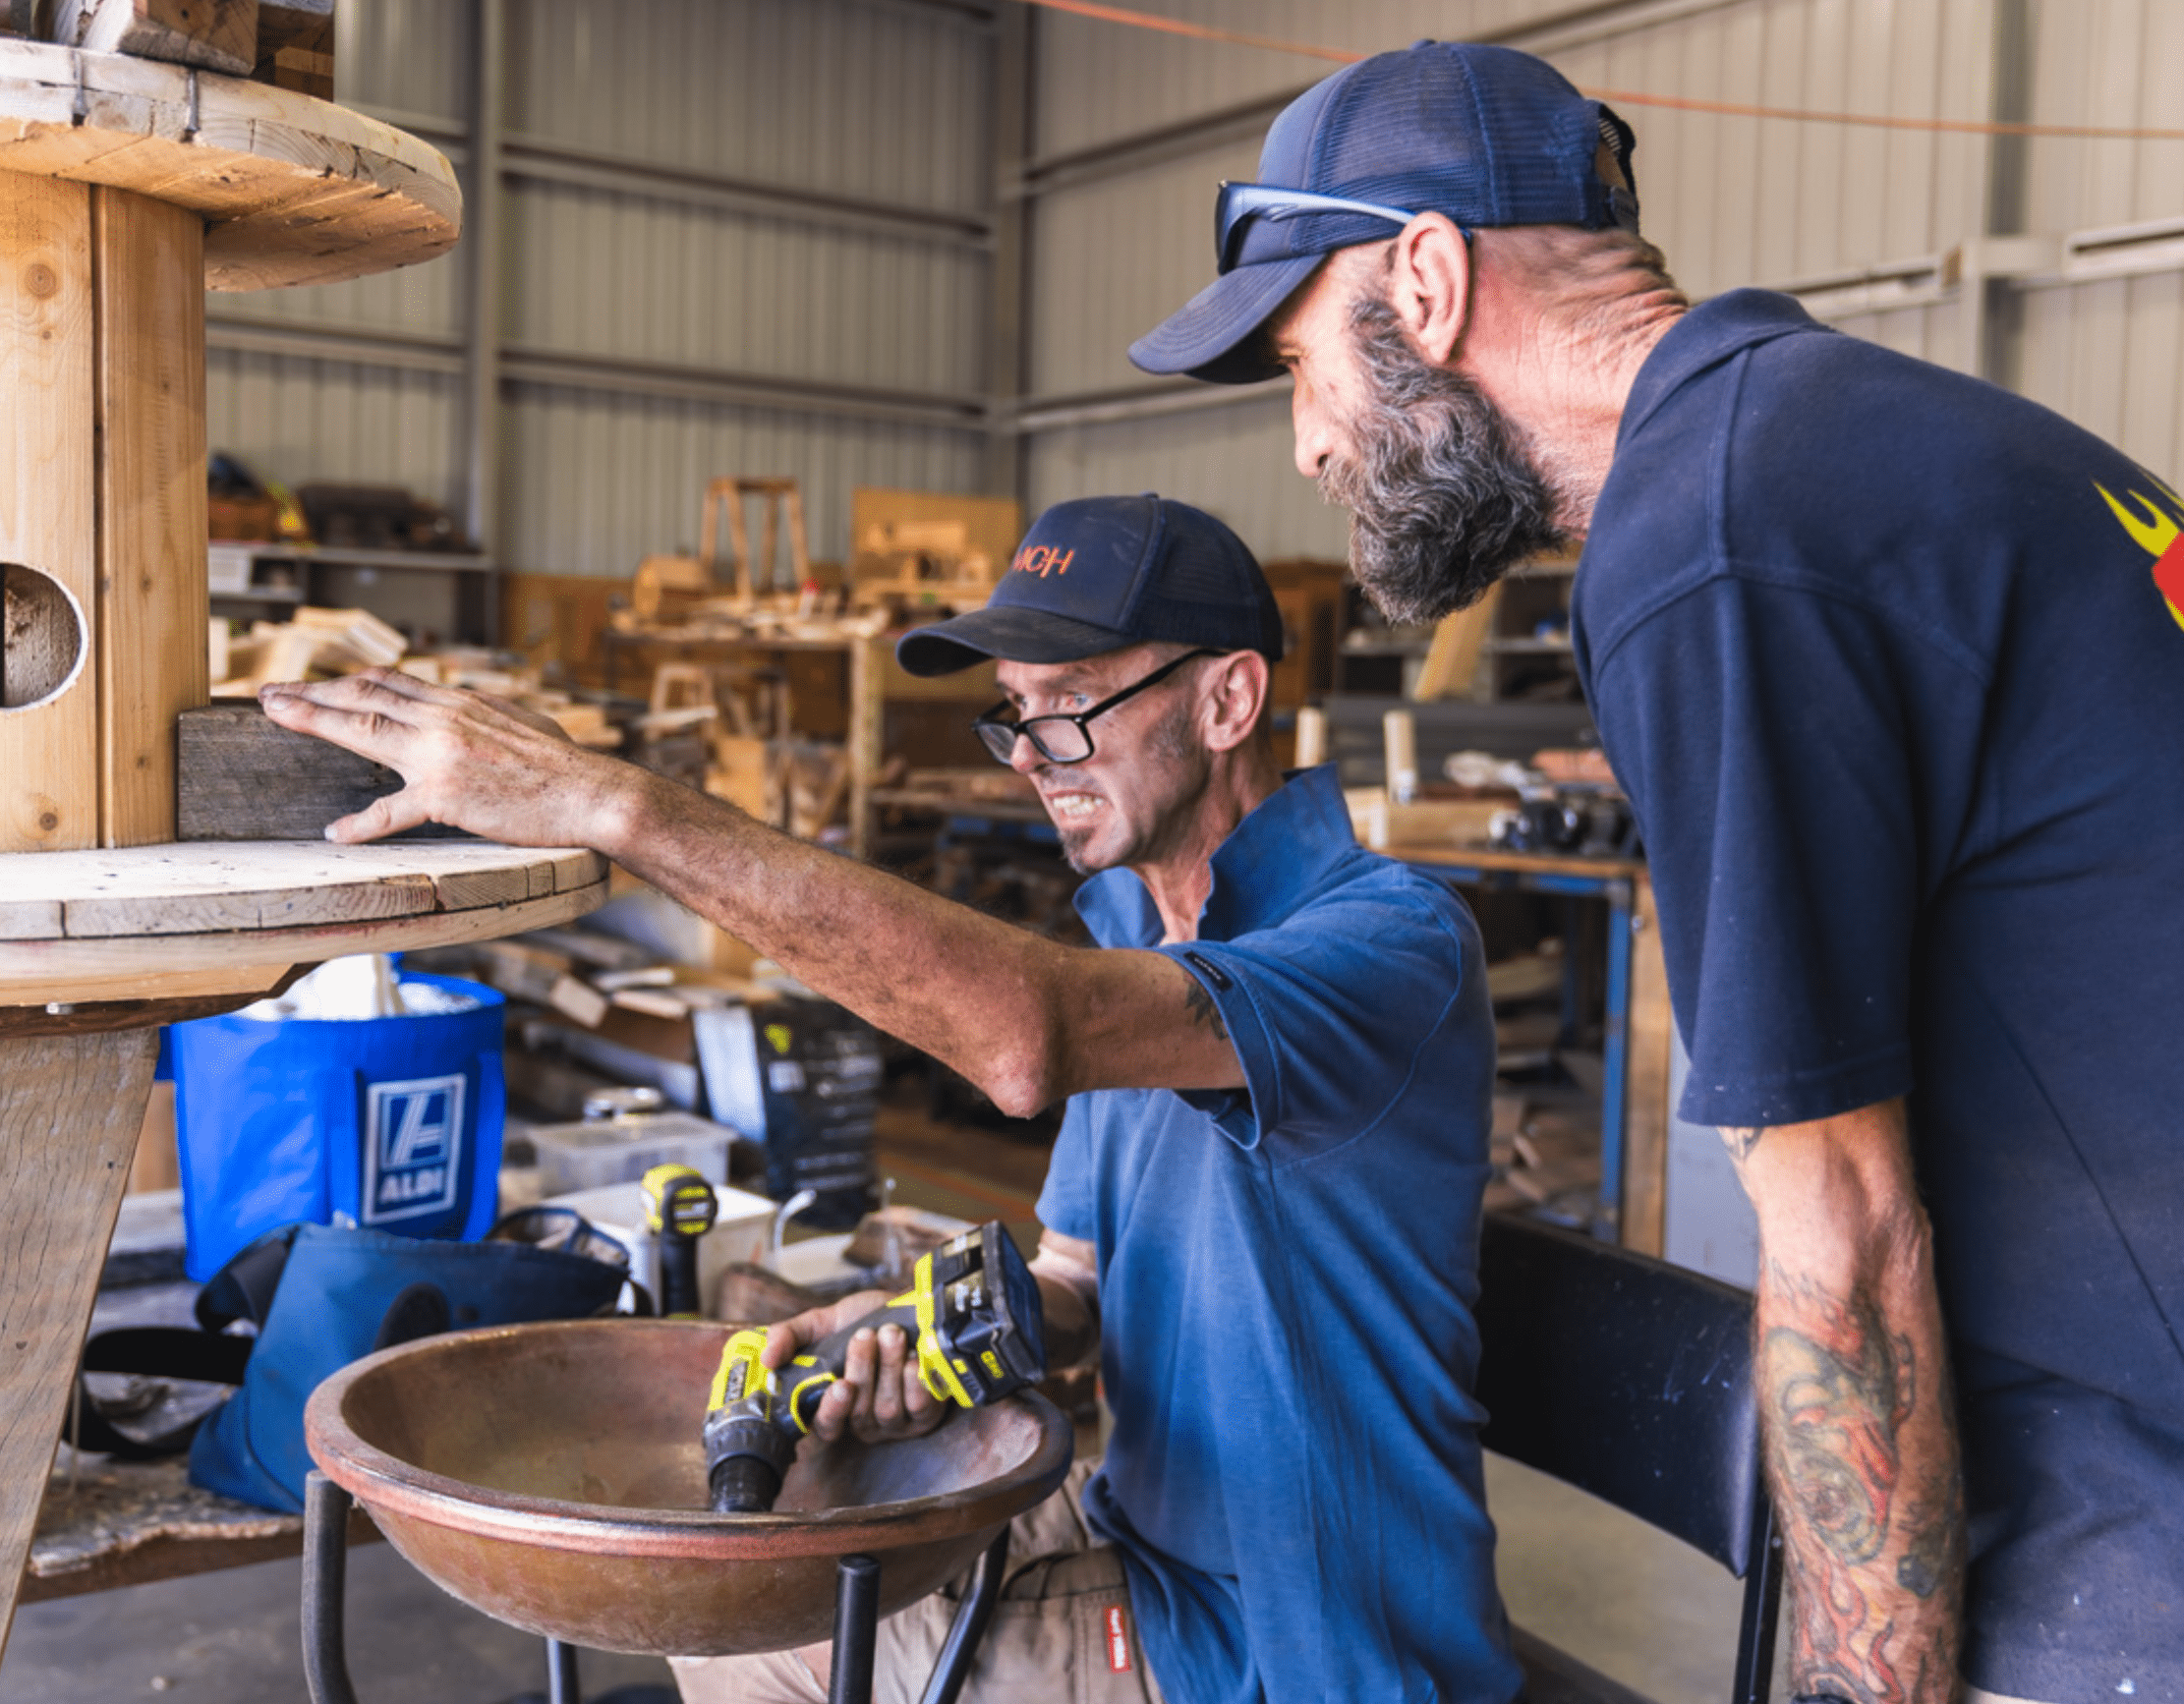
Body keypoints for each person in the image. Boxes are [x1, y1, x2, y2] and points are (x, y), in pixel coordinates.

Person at [1126, 35, 2184, 1704]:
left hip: (2137, 1538)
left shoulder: (1706, 536)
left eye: (1296, 356)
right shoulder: (1883, 442)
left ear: (1422, 274)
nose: (1310, 442)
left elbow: (1835, 1219)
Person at [259, 493, 1523, 1704]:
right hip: (1149, 1527)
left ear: (1229, 697)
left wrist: (617, 803)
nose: (1034, 758)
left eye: (1072, 705)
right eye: (1015, 713)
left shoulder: (1387, 944)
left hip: (1298, 1636)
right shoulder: (1137, 940)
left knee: (748, 1638)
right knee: (746, 1562)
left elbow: (1024, 1041)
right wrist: (913, 1326)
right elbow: (1077, 1294)